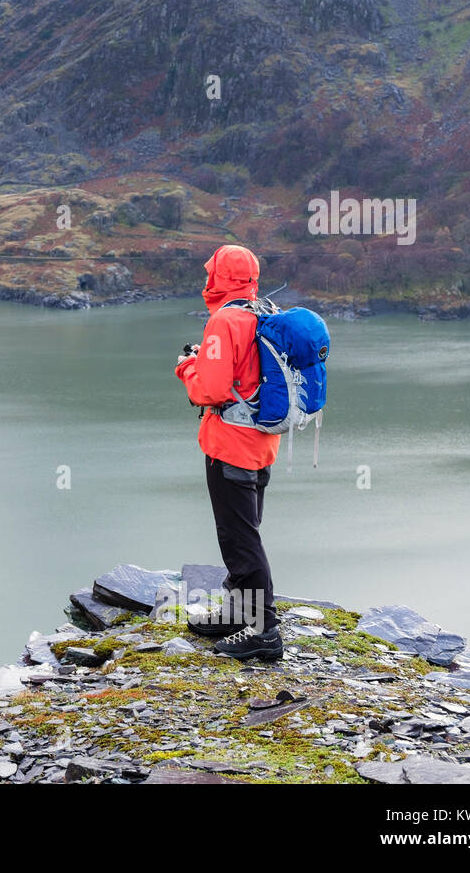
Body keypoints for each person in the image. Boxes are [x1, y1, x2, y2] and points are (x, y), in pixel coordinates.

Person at [174, 245, 284, 661]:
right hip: (260, 443)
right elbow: (245, 375)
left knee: (240, 539)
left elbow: (212, 390)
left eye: (211, 273)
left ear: (219, 277)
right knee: (244, 530)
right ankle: (240, 612)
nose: (206, 280)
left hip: (230, 446)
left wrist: (187, 367)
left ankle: (265, 631)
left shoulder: (224, 320)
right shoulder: (264, 311)